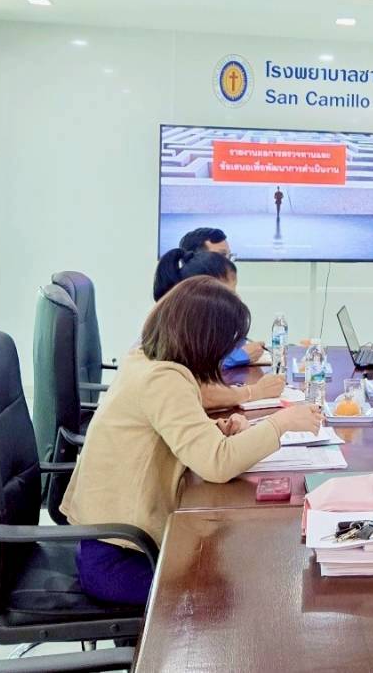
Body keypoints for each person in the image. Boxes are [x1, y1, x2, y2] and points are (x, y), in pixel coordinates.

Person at [61, 276, 323, 605]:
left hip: (111, 543)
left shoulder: (146, 361)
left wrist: (215, 430)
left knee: (232, 570)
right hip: (121, 558)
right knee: (235, 595)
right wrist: (281, 423)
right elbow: (217, 464)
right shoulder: (162, 380)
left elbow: (179, 437)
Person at [153, 247, 266, 361]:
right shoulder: (180, 325)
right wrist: (238, 357)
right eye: (230, 294)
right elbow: (195, 364)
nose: (238, 299)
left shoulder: (205, 322)